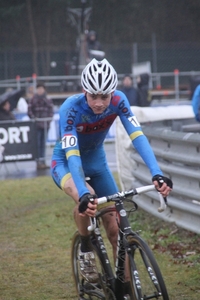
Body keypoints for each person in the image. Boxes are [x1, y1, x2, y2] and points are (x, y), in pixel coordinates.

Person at [51, 58, 172, 284]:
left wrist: (156, 172)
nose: (99, 103)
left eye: (104, 96)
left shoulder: (120, 101)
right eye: (93, 96)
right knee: (85, 197)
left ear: (113, 92)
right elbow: (72, 153)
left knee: (116, 228)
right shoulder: (70, 107)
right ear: (84, 91)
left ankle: (124, 286)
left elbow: (137, 136)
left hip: (97, 163)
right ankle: (86, 250)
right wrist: (84, 193)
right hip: (66, 162)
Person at [28, 83, 54, 170]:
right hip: (36, 125)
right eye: (38, 89)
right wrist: (34, 118)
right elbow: (29, 111)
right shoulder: (33, 100)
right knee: (37, 144)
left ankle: (43, 161)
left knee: (43, 144)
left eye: (41, 89)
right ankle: (38, 161)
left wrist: (48, 120)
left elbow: (51, 111)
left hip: (45, 125)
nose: (40, 91)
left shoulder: (47, 99)